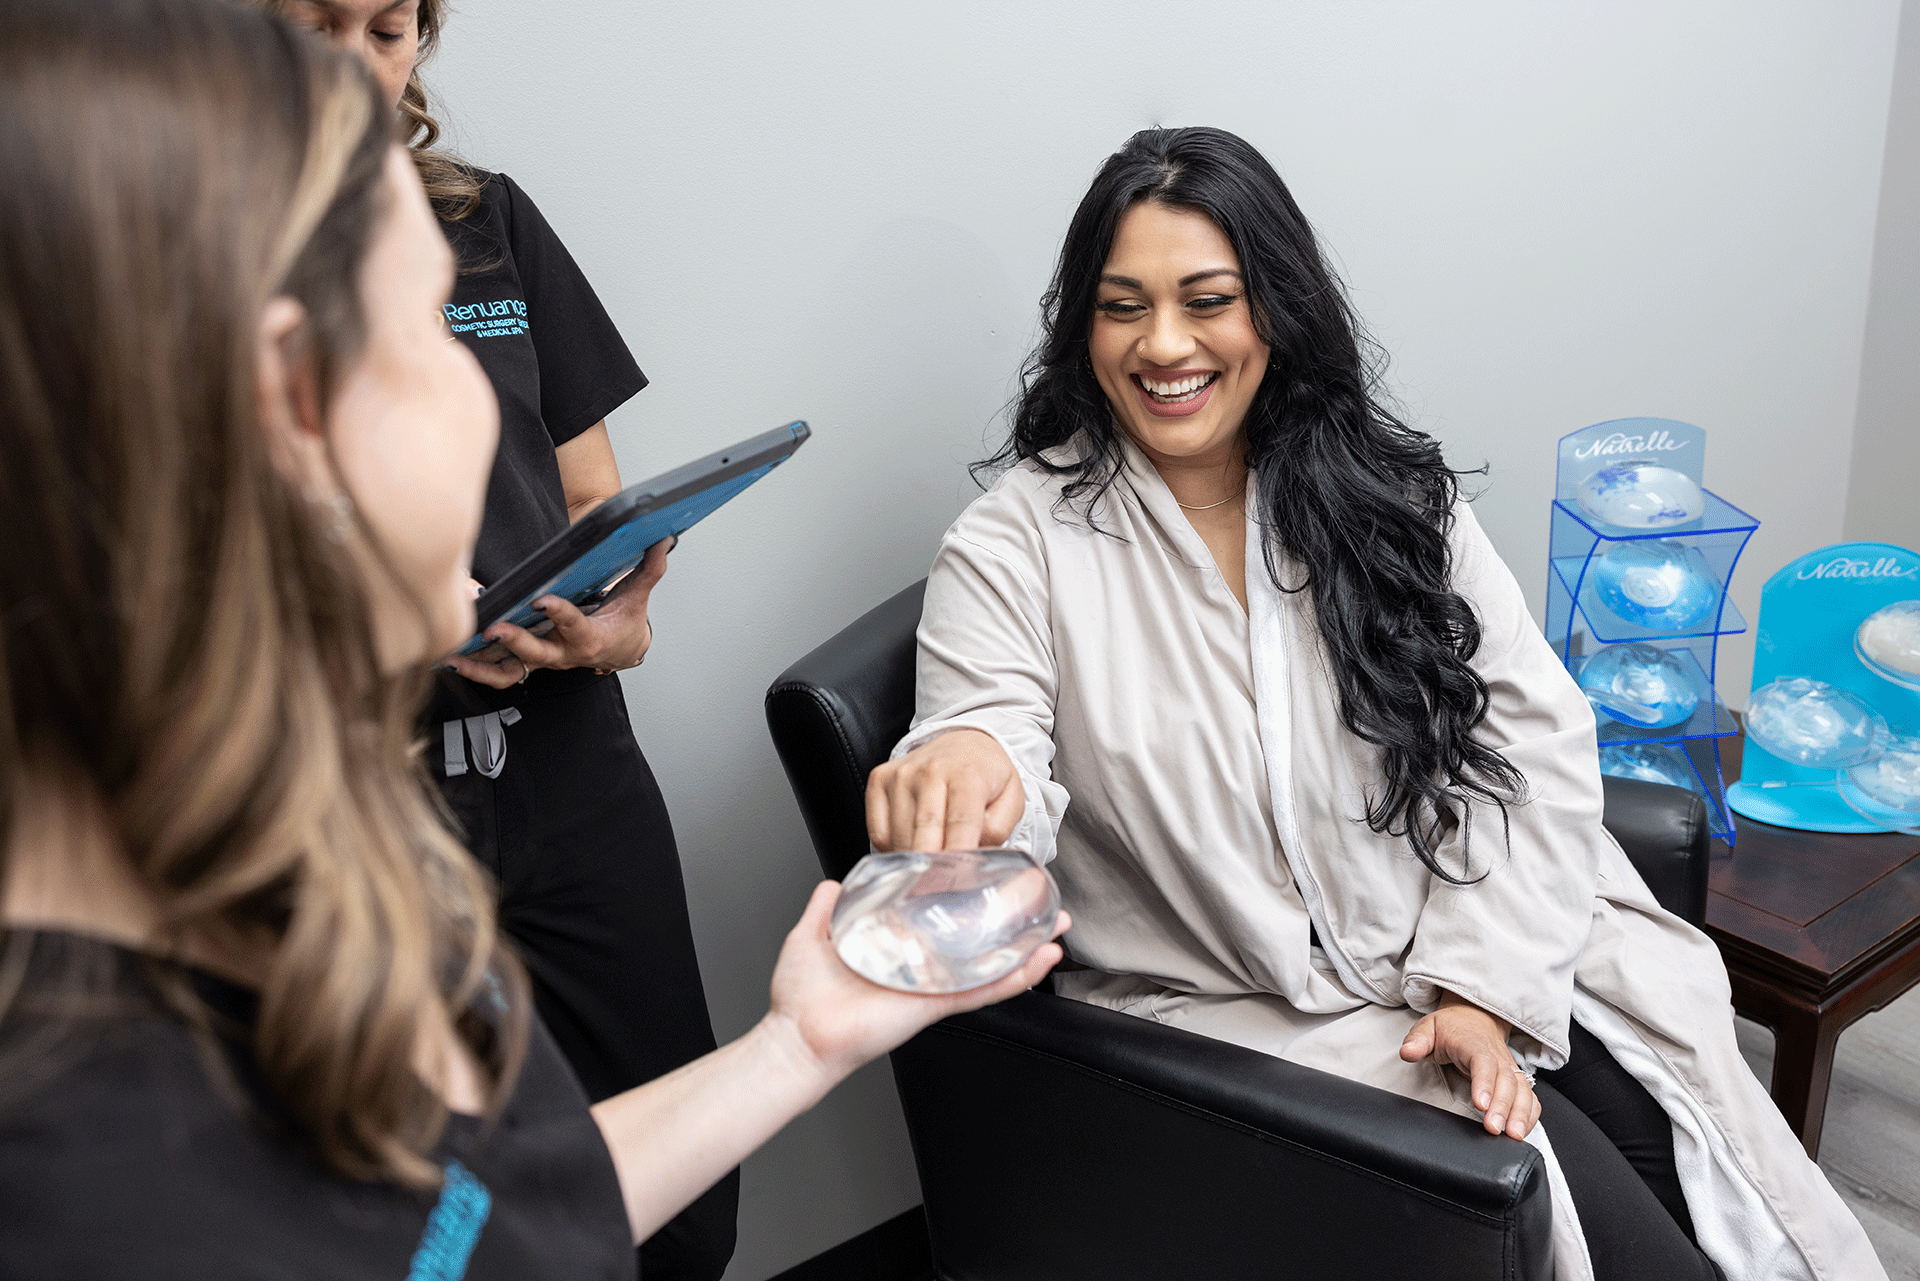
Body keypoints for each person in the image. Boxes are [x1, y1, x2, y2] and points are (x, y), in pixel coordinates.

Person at [0, 3, 1063, 1277]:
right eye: (421, 331)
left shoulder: (270, 883)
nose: (483, 401)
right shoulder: (95, 1149)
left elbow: (468, 1220)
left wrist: (802, 1045)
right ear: (297, 399)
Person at [870, 126, 1886, 1281]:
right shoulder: (1013, 547)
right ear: (1080, 327)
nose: (1164, 346)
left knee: (1732, 1186)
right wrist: (964, 774)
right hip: (1263, 1028)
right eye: (1122, 307)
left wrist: (1477, 987)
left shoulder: (1389, 495)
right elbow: (985, 727)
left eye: (1209, 300)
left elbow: (1534, 738)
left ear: (1277, 311)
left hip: (1492, 929)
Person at [260, 3, 732, 1274]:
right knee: (443, 1213)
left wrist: (613, 628)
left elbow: (594, 503)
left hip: (571, 773)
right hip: (368, 806)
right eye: (315, 25)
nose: (362, 64)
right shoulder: (183, 264)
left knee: (687, 1201)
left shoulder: (485, 222)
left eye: (389, 27)